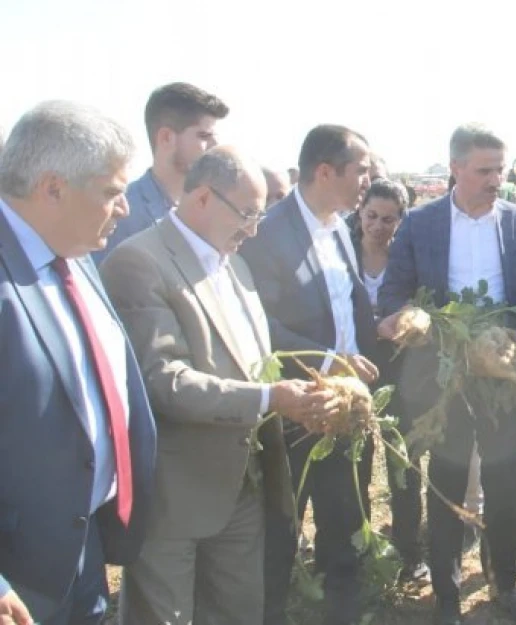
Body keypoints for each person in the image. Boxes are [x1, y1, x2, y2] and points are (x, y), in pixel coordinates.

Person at [100, 147, 337, 623]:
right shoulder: (138, 263)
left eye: (260, 214)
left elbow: (257, 361)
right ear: (204, 198)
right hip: (176, 495)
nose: (254, 229)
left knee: (238, 610)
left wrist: (309, 393)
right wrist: (270, 398)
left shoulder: (234, 264)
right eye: (247, 213)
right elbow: (163, 379)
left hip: (243, 485)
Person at [377, 124, 516, 625]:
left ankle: (505, 583)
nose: (497, 178)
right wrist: (416, 323)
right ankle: (447, 596)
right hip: (442, 377)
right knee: (448, 483)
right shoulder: (421, 225)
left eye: (501, 168)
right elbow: (393, 293)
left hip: (502, 376)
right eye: (484, 170)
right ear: (455, 168)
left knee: (503, 485)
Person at [0, 100, 157, 625]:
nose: (127, 207)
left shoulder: (78, 257)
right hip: (16, 578)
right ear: (53, 188)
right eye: (113, 192)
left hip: (83, 546)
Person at [239, 124, 381, 625]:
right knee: (281, 523)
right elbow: (258, 325)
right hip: (295, 407)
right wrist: (326, 362)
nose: (369, 178)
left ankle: (342, 605)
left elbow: (346, 305)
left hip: (346, 405)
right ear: (326, 171)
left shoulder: (340, 226)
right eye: (361, 170)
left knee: (345, 512)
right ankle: (270, 611)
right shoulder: (268, 232)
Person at [345, 178, 429, 582]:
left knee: (404, 461)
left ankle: (410, 551)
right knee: (354, 460)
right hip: (354, 366)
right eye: (371, 216)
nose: (378, 226)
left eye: (389, 219)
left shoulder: (408, 257)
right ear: (360, 213)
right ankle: (358, 547)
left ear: (401, 221)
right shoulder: (341, 251)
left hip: (401, 368)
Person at [94, 82, 228, 264]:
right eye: (204, 136)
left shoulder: (212, 214)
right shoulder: (122, 216)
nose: (215, 147)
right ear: (166, 138)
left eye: (214, 138)